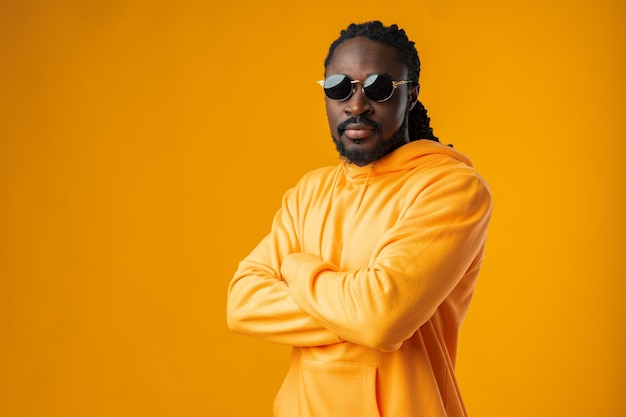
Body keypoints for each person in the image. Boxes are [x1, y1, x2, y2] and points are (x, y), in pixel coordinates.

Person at [227, 20, 492, 417]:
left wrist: (298, 269)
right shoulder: (308, 193)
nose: (356, 105)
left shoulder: (451, 188)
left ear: (412, 95)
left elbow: (381, 321)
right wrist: (360, 311)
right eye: (338, 87)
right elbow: (243, 302)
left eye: (378, 87)